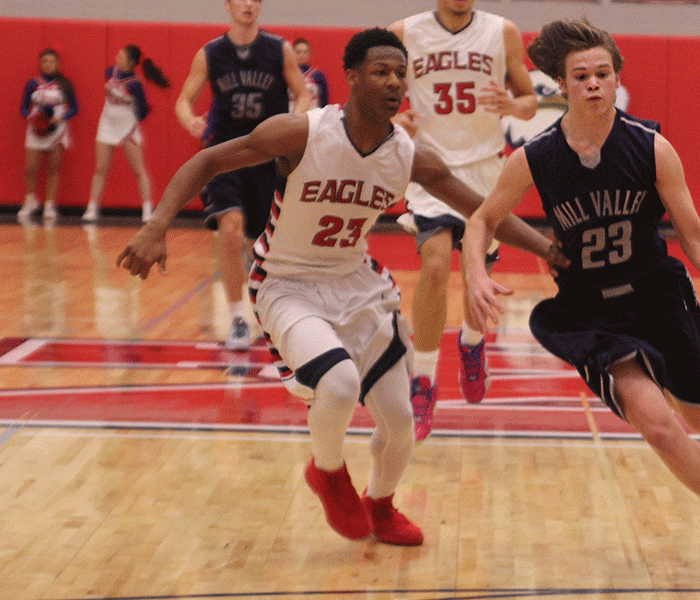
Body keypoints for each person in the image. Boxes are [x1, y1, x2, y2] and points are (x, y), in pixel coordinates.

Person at [117, 28, 561, 547]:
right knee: (341, 384)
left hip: (357, 284)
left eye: (401, 73)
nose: (394, 82)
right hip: (287, 281)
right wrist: (157, 224)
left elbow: (484, 212)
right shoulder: (301, 132)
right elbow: (209, 160)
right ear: (351, 77)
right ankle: (328, 474)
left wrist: (550, 250)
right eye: (381, 72)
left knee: (399, 421)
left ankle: (382, 505)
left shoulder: (409, 156)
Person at [462, 20, 700, 590]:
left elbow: (694, 235)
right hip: (590, 312)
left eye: (603, 74)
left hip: (657, 295)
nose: (594, 84)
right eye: (581, 76)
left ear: (617, 78)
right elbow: (481, 218)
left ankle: (678, 396)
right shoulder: (536, 157)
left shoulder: (652, 146)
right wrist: (475, 273)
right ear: (561, 85)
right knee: (659, 427)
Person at [387, 0, 538, 441]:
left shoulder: (502, 30)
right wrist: (394, 118)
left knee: (480, 280)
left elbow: (531, 103)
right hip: (431, 168)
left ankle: (472, 343)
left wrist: (512, 103)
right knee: (434, 266)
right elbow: (376, 96)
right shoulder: (404, 31)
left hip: (486, 170)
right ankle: (424, 381)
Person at [174, 0, 311, 350]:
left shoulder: (278, 50)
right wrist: (189, 119)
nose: (249, 4)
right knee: (230, 230)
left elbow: (303, 94)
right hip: (225, 154)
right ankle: (237, 318)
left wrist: (294, 125)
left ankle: (271, 312)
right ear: (228, 4)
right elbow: (183, 100)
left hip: (267, 156)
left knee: (262, 244)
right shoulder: (211, 53)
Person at [82, 45, 170, 224]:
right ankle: (92, 208)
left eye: (121, 57)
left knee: (139, 170)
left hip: (127, 127)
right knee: (100, 169)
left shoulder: (136, 84)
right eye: (118, 55)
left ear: (131, 63)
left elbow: (143, 112)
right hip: (106, 124)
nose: (116, 58)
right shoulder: (110, 72)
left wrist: (139, 112)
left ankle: (147, 209)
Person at [18, 48, 79, 222]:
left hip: (56, 130)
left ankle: (50, 204)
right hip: (35, 130)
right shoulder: (32, 83)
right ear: (40, 63)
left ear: (57, 63)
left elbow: (75, 108)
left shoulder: (65, 84)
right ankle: (30, 200)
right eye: (44, 61)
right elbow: (23, 108)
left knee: (53, 169)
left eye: (51, 61)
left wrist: (62, 117)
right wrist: (32, 118)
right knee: (30, 169)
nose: (48, 64)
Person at [291, 38, 329, 110]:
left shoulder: (317, 75)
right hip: (290, 116)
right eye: (298, 52)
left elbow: (324, 102)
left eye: (305, 52)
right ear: (292, 53)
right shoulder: (286, 74)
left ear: (309, 54)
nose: (302, 55)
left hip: (312, 117)